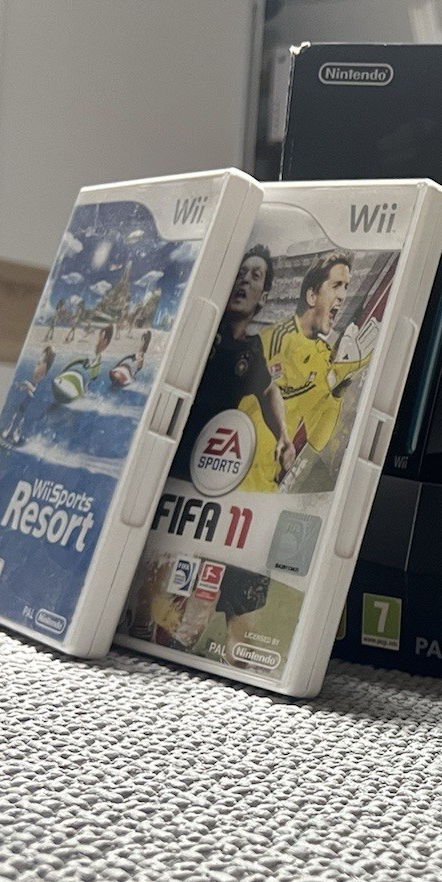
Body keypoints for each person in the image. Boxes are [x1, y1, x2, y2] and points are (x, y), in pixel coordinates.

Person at [147, 246, 290, 661]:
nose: (245, 280)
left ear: (263, 296)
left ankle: (226, 651)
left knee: (217, 584)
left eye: (256, 276)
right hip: (168, 472)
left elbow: (269, 391)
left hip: (211, 481)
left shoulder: (252, 350)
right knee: (157, 588)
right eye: (240, 272)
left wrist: (283, 436)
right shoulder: (199, 330)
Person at [240, 250, 368, 493]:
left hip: (265, 487)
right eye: (336, 285)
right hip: (235, 475)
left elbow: (317, 441)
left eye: (346, 287)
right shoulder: (272, 341)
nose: (343, 296)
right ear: (312, 295)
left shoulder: (323, 359)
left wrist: (336, 397)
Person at [0, 345, 55, 445]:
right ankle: (9, 432)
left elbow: (36, 394)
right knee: (16, 416)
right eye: (37, 364)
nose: (36, 368)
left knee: (20, 420)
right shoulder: (38, 379)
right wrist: (25, 387)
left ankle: (15, 436)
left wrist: (27, 386)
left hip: (30, 406)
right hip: (26, 404)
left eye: (39, 364)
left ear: (46, 366)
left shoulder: (44, 382)